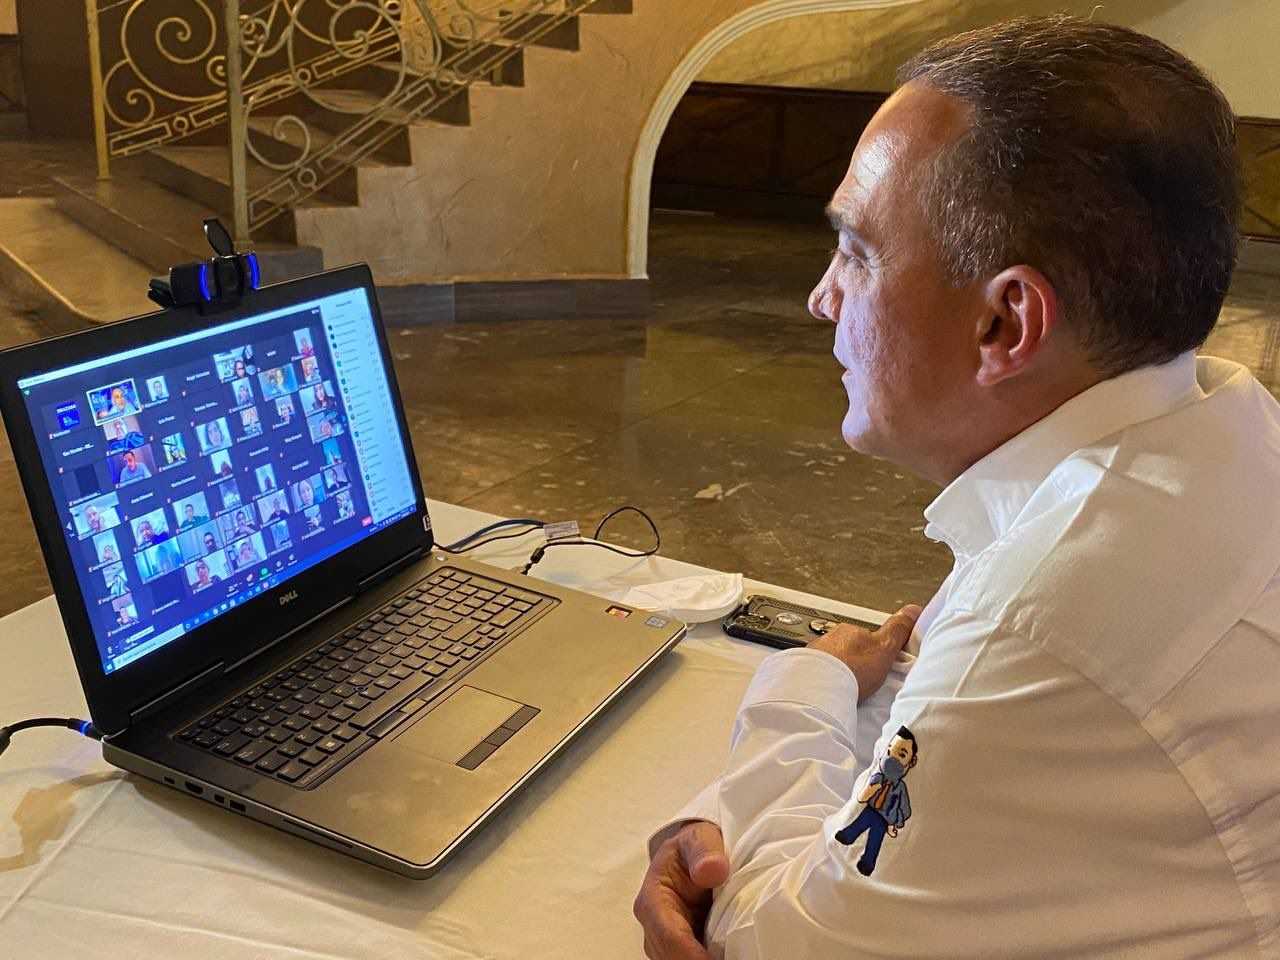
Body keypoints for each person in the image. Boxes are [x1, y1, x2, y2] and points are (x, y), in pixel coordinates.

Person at [633, 17, 1280, 959]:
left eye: (857, 252)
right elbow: (928, 715)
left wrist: (800, 687)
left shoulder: (1053, 619)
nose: (821, 296)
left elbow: (770, 940)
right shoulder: (1218, 422)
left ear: (1005, 324)